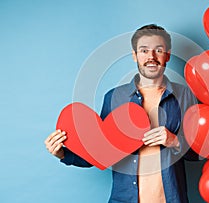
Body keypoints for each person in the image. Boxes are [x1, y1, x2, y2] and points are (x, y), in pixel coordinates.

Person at [45, 24, 200, 203]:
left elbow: (199, 152)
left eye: (158, 50)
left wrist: (175, 141)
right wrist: (63, 154)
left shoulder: (185, 96)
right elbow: (99, 153)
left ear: (167, 55)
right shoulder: (114, 97)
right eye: (144, 50)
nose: (151, 57)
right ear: (135, 56)